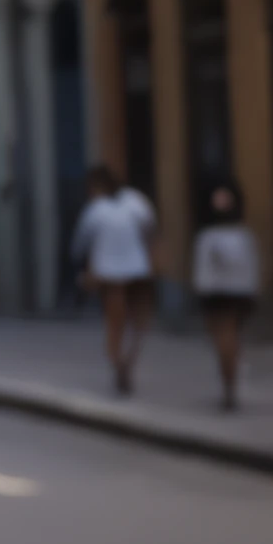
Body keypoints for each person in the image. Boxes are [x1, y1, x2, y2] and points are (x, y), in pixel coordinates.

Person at [72, 162, 157, 392]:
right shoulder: (135, 201)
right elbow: (150, 227)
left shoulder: (95, 210)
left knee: (114, 324)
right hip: (138, 271)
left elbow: (80, 244)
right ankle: (128, 359)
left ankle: (118, 361)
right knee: (138, 322)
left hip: (109, 275)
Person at [189, 179, 260, 411]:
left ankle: (229, 385)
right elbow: (252, 266)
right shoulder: (243, 235)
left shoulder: (209, 237)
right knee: (231, 337)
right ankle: (230, 383)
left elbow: (202, 270)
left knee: (223, 338)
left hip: (218, 292)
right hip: (238, 291)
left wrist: (201, 291)